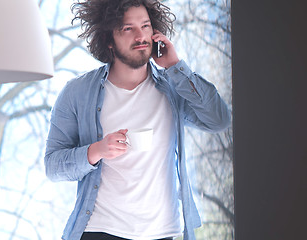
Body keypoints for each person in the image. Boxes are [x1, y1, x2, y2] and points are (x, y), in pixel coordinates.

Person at [44, 0, 231, 239]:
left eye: (145, 26)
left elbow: (219, 120)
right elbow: (53, 166)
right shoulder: (76, 93)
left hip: (163, 231)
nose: (141, 36)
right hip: (100, 230)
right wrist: (96, 150)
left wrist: (175, 66)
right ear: (108, 39)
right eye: (127, 28)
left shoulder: (174, 89)